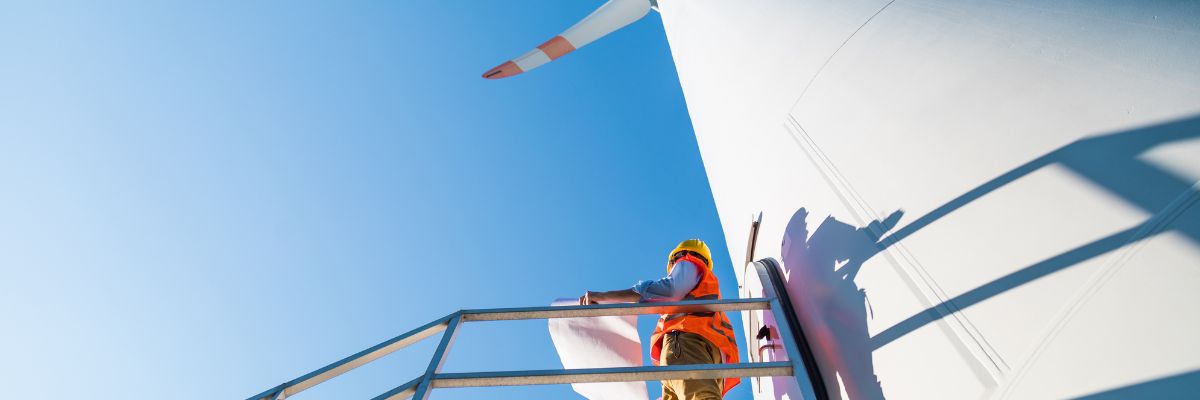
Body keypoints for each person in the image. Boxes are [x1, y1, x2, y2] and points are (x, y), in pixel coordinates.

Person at [580, 239, 741, 400]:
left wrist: (604, 296)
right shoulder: (707, 292)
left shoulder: (689, 262)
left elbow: (670, 291)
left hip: (687, 347)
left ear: (677, 258)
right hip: (699, 355)